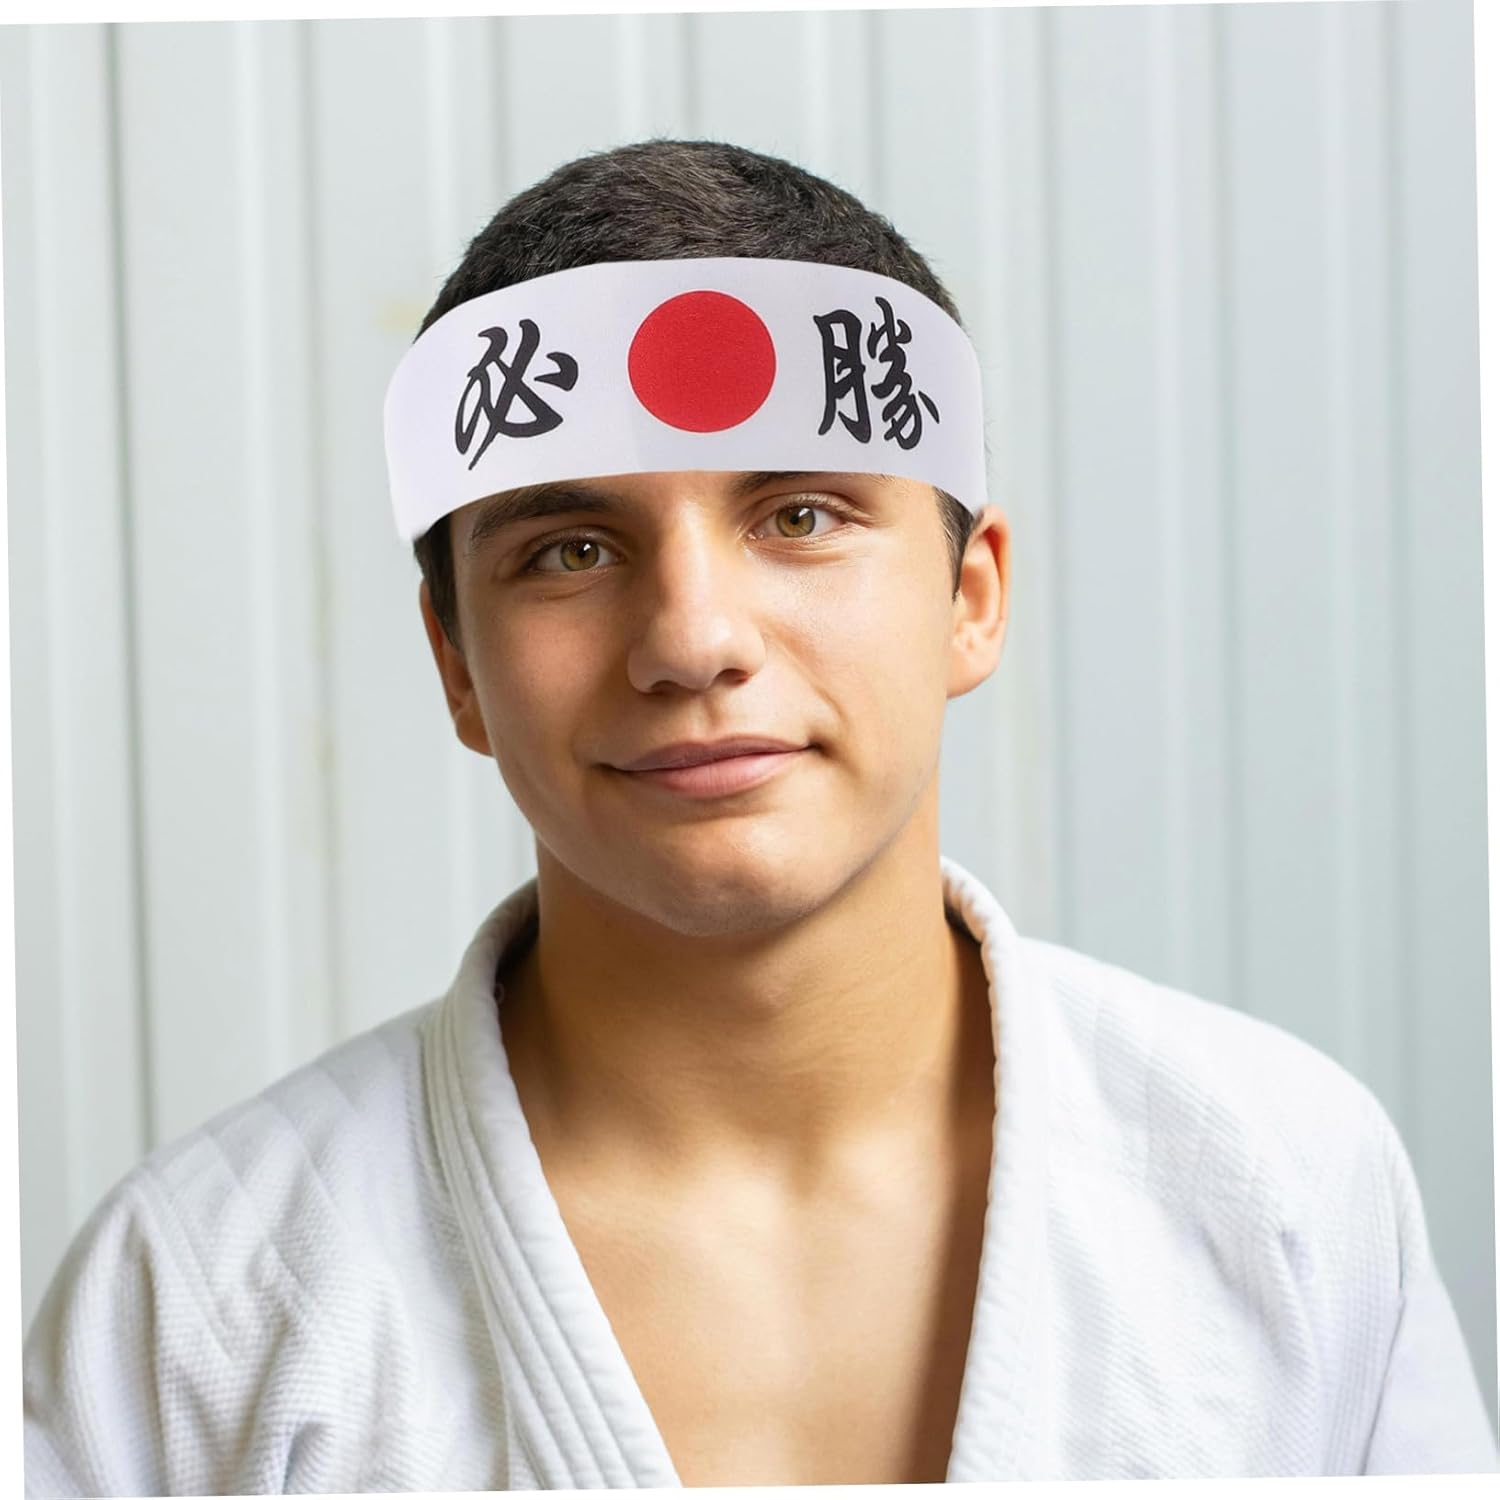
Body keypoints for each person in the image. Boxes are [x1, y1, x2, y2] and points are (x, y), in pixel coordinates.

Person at [21, 140, 1497, 1495]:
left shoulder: (1283, 1182)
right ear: (456, 665)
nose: (692, 639)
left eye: (801, 515)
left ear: (972, 596)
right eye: (570, 548)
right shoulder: (201, 1307)